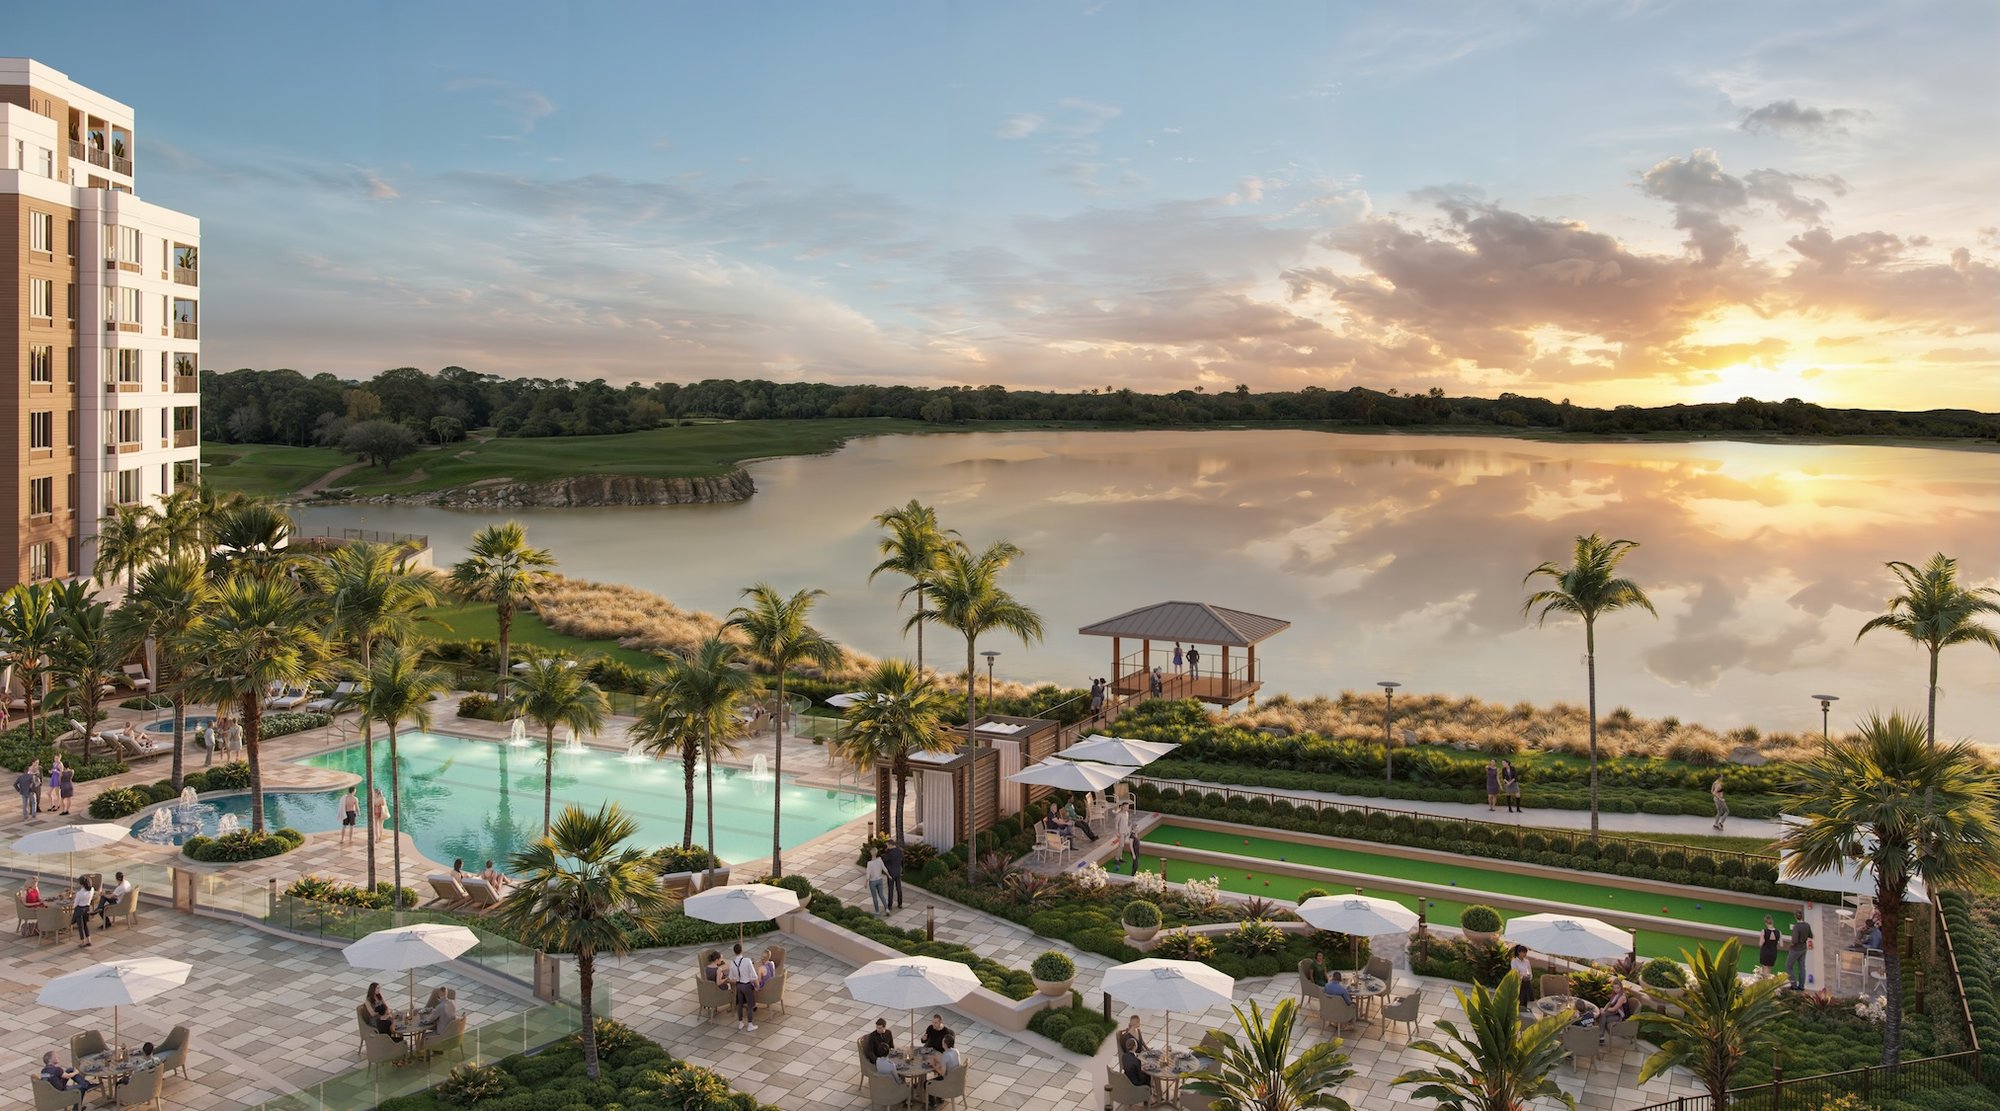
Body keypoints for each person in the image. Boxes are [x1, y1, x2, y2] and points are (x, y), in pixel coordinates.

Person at [729, 942, 759, 1031]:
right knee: (750, 1005)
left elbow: (731, 978)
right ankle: (750, 1025)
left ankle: (740, 1023)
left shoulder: (732, 963)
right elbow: (754, 976)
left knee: (740, 1005)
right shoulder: (747, 961)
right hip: (747, 986)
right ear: (742, 950)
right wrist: (757, 986)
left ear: (734, 952)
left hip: (738, 986)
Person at [1787, 913, 1814, 990]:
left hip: (1796, 949)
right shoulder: (1807, 925)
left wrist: (1791, 945)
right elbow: (1811, 935)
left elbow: (1794, 940)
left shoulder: (1796, 927)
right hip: (1803, 948)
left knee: (1789, 966)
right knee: (1802, 967)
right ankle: (1801, 986)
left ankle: (1794, 985)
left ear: (1795, 917)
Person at [70, 875, 95, 949]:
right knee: (85, 925)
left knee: (80, 926)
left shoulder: (80, 893)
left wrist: (72, 905)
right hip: (87, 908)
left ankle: (83, 941)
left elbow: (75, 904)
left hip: (79, 910)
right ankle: (88, 940)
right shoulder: (92, 889)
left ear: (82, 884)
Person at [865, 849, 888, 915]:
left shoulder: (869, 863)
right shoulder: (880, 860)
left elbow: (868, 874)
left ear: (871, 854)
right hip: (879, 880)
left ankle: (877, 911)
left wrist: (865, 882)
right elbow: (885, 869)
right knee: (881, 895)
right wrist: (889, 876)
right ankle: (887, 909)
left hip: (872, 882)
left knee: (874, 897)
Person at [883, 839, 905, 910]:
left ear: (890, 844)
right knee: (899, 888)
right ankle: (900, 903)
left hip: (891, 873)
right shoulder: (900, 852)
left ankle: (890, 905)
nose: (887, 847)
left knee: (891, 889)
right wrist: (902, 870)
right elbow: (902, 861)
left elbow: (885, 861)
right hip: (898, 872)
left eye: (887, 845)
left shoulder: (890, 853)